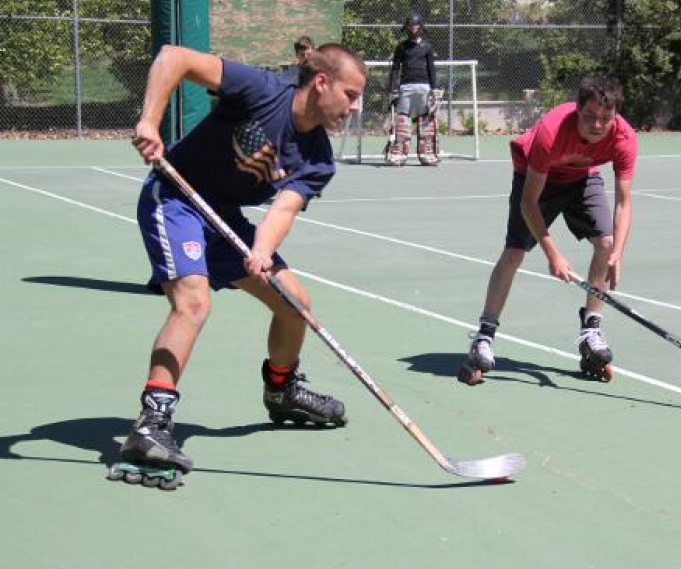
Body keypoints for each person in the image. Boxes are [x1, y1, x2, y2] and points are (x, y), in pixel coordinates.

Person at [118, 42, 367, 485]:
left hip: (224, 219)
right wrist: (149, 121)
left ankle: (281, 390)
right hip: (176, 198)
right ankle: (151, 425)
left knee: (295, 303)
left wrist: (262, 250)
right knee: (193, 304)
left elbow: (283, 210)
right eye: (350, 94)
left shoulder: (318, 159)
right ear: (322, 83)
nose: (355, 106)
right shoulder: (262, 90)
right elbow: (174, 57)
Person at [457, 77, 637, 386]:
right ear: (577, 110)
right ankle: (484, 335)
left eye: (605, 118)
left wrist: (618, 252)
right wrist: (552, 253)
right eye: (590, 116)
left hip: (582, 177)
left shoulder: (624, 137)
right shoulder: (551, 132)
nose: (597, 125)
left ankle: (591, 327)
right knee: (515, 251)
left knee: (606, 242)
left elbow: (624, 202)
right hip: (537, 180)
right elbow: (529, 203)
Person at [385, 10, 441, 166]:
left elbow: (432, 69)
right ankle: (399, 154)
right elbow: (395, 69)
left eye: (416, 26)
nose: (413, 29)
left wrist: (434, 90)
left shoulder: (427, 47)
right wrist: (392, 88)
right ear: (406, 27)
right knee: (402, 119)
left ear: (421, 27)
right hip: (406, 87)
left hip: (424, 87)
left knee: (426, 121)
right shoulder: (401, 47)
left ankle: (427, 153)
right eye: (411, 26)